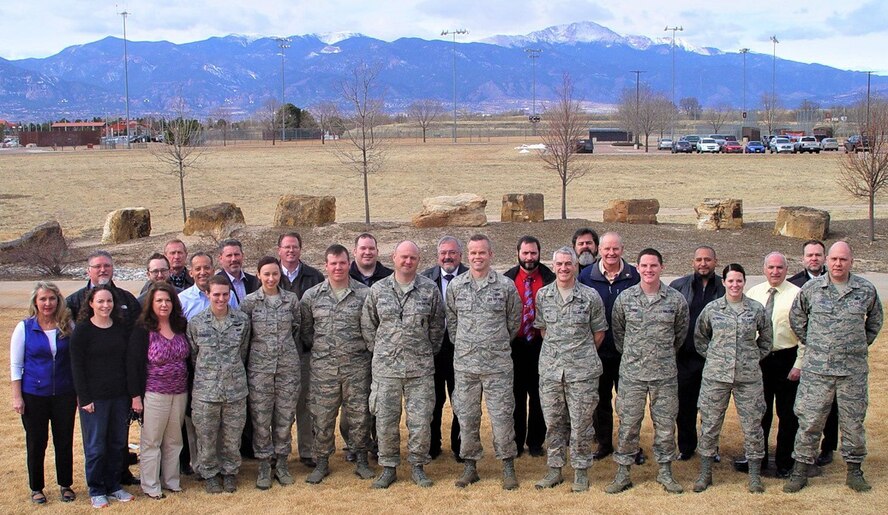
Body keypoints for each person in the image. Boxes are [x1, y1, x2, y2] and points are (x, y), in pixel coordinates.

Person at [785, 241, 883, 493]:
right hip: (817, 370)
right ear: (827, 261)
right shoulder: (811, 289)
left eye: (843, 259)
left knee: (853, 422)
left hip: (852, 371)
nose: (838, 264)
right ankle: (800, 471)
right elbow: (797, 318)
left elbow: (875, 322)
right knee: (809, 421)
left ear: (851, 262)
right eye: (834, 259)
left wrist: (856, 345)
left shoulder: (865, 289)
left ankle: (854, 471)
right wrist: (816, 344)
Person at [361, 240, 445, 489]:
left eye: (413, 258)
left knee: (420, 420)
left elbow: (437, 327)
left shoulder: (429, 289)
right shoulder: (378, 290)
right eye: (403, 257)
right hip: (386, 369)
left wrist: (423, 351)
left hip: (420, 369)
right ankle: (388, 467)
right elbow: (368, 325)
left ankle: (418, 466)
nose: (408, 261)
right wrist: (383, 351)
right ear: (394, 258)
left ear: (418, 261)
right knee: (385, 420)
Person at [606, 248, 688, 494]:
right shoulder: (626, 298)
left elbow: (679, 335)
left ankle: (665, 472)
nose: (649, 270)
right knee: (628, 425)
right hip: (633, 375)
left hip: (664, 375)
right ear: (637, 268)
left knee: (665, 426)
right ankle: (623, 473)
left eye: (653, 265)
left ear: (661, 267)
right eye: (644, 265)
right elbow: (619, 333)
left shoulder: (675, 300)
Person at [446, 234, 522, 490]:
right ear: (467, 255)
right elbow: (452, 323)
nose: (477, 257)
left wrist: (494, 344)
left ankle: (507, 466)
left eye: (482, 252)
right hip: (466, 366)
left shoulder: (505, 286)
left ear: (491, 254)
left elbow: (513, 322)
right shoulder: (457, 286)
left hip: (497, 367)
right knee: (467, 417)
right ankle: (470, 466)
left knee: (502, 417)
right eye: (473, 253)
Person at [532, 247, 607, 492]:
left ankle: (581, 472)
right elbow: (543, 330)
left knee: (582, 424)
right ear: (553, 266)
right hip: (551, 372)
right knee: (554, 422)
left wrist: (578, 354)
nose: (564, 268)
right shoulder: (543, 295)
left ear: (575, 266)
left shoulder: (590, 296)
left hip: (582, 373)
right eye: (559, 264)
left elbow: (599, 333)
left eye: (568, 264)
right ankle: (554, 469)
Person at [692, 263, 772, 493]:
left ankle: (754, 476)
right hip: (716, 377)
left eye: (739, 280)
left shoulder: (756, 309)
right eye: (731, 280)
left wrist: (751, 358)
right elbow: (700, 338)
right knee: (709, 424)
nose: (735, 285)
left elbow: (766, 340)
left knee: (753, 425)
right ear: (724, 282)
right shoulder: (712, 309)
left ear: (744, 282)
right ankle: (705, 473)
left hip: (748, 378)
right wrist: (716, 358)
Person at [301, 245, 374, 483]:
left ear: (348, 263)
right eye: (333, 263)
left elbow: (370, 329)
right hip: (324, 369)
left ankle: (361, 460)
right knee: (322, 417)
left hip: (357, 368)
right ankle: (322, 462)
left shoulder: (364, 294)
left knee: (359, 416)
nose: (338, 267)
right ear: (326, 265)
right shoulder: (312, 296)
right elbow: (307, 332)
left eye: (342, 263)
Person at [10, 282, 77, 504]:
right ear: (35, 302)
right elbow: (16, 365)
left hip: (64, 394)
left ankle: (65, 484)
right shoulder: (24, 328)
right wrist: (17, 397)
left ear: (58, 301)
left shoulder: (67, 326)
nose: (48, 303)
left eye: (52, 299)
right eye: (43, 299)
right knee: (37, 442)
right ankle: (36, 487)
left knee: (64, 440)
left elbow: (75, 361)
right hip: (34, 394)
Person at [735, 252, 802, 478]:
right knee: (759, 413)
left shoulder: (797, 295)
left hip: (787, 358)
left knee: (788, 414)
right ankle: (758, 459)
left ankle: (785, 462)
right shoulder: (754, 293)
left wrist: (799, 364)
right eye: (771, 267)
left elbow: (805, 333)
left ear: (786, 269)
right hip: (760, 360)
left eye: (779, 267)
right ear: (764, 269)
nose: (775, 271)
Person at [70, 285, 136, 508]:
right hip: (95, 399)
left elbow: (127, 362)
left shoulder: (120, 328)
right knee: (96, 446)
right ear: (91, 304)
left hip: (119, 396)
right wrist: (84, 398)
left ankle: (114, 485)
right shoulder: (82, 331)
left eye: (109, 301)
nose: (105, 305)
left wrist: (131, 394)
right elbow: (77, 367)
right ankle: (97, 489)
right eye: (100, 301)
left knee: (117, 444)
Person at [577, 232, 641, 462]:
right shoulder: (586, 276)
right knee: (600, 401)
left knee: (629, 403)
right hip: (598, 351)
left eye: (615, 249)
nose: (611, 253)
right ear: (599, 250)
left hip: (628, 353)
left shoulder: (634, 275)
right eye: (607, 249)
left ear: (622, 249)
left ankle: (630, 446)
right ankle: (604, 444)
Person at [239, 257, 302, 489]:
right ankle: (264, 465)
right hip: (259, 371)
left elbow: (297, 329)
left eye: (275, 273)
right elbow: (245, 337)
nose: (271, 278)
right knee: (261, 419)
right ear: (258, 275)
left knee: (285, 418)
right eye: (266, 274)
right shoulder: (250, 302)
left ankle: (282, 463)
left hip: (287, 370)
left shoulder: (291, 300)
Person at [188, 275, 251, 494]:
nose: (221, 299)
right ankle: (210, 474)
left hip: (235, 390)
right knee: (206, 437)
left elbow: (243, 352)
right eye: (216, 294)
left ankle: (230, 472)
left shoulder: (242, 321)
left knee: (232, 437)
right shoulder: (196, 323)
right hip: (206, 392)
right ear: (208, 294)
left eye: (225, 294)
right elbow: (194, 355)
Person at [127, 282, 190, 499]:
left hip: (180, 392)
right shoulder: (143, 329)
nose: (164, 304)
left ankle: (171, 481)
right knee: (152, 441)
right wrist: (135, 397)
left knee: (174, 439)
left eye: (168, 300)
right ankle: (151, 485)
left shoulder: (180, 325)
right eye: (159, 300)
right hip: (154, 393)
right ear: (151, 303)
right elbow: (133, 365)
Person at [669, 246, 725, 461]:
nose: (703, 263)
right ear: (693, 262)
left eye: (708, 260)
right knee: (685, 406)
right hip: (684, 356)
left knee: (712, 407)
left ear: (715, 262)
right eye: (699, 259)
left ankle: (711, 448)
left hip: (713, 358)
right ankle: (686, 447)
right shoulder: (678, 286)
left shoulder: (724, 286)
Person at [787, 239, 837, 468]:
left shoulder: (835, 280)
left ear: (824, 257)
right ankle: (799, 446)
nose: (814, 259)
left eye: (818, 255)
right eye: (810, 255)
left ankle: (828, 447)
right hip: (803, 354)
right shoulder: (794, 285)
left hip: (831, 357)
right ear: (803, 258)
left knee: (831, 405)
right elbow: (795, 320)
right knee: (803, 404)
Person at [277, 232, 324, 468]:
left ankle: (307, 450)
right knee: (281, 406)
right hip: (277, 355)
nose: (291, 251)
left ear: (300, 249)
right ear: (279, 250)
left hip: (305, 352)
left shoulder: (314, 276)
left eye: (294, 246)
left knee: (306, 404)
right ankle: (279, 452)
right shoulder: (270, 275)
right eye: (286, 247)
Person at [503, 236, 553, 458]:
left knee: (539, 395)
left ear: (539, 253)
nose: (529, 257)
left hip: (542, 345)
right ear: (518, 254)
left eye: (533, 253)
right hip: (515, 345)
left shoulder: (550, 279)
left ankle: (535, 442)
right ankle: (515, 442)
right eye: (525, 253)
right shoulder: (507, 280)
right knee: (516, 395)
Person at [420, 236, 468, 462]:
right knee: (434, 399)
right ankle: (432, 445)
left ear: (460, 255)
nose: (447, 257)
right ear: (437, 255)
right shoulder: (425, 279)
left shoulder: (470, 277)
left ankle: (460, 447)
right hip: (434, 349)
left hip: (462, 349)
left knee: (461, 399)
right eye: (443, 253)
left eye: (452, 252)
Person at [216, 239, 259, 308]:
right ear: (220, 259)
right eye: (229, 255)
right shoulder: (216, 284)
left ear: (242, 256)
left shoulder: (254, 281)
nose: (234, 259)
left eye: (236, 254)